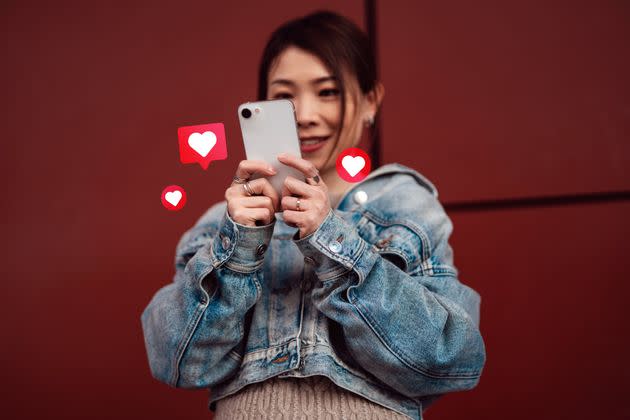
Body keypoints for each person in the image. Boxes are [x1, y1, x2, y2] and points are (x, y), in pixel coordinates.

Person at [141, 10, 486, 420]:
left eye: (328, 92)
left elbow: (449, 359)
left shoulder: (404, 204)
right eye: (284, 97)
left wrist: (334, 241)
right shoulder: (225, 220)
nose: (304, 114)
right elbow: (175, 361)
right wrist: (237, 249)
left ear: (370, 101)